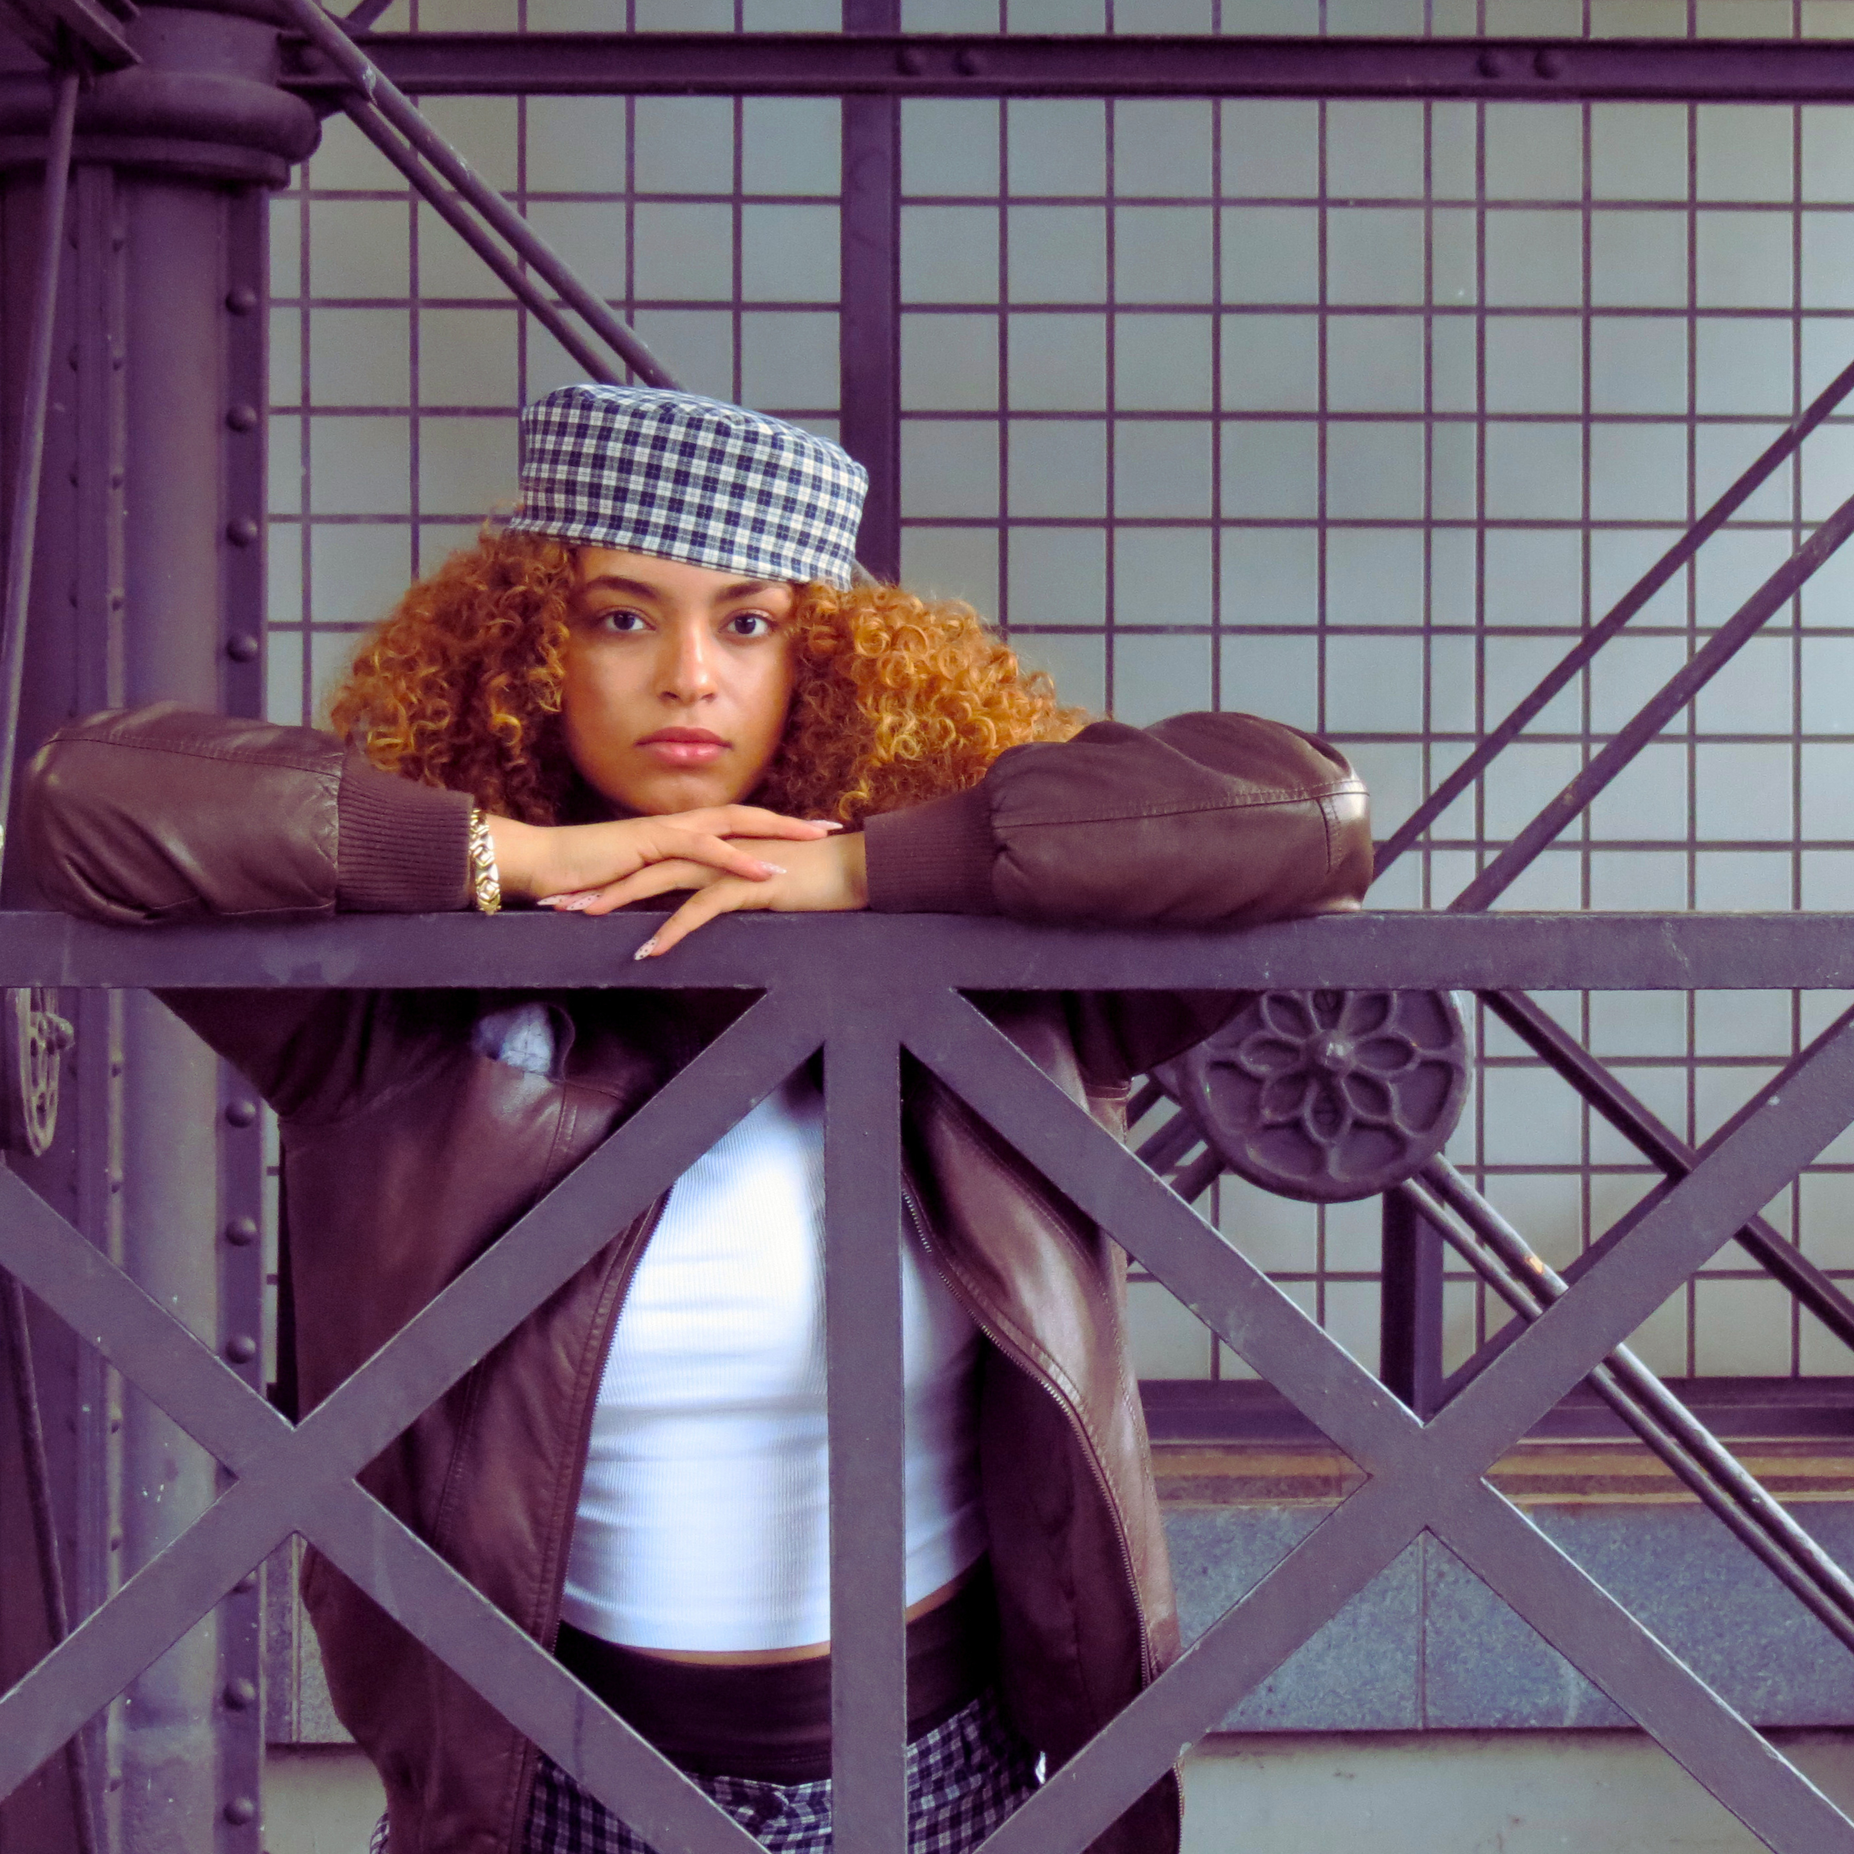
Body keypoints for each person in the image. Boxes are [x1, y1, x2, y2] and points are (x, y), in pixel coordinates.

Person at [25, 386, 1372, 1854]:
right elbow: (76, 802)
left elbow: (1299, 815)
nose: (686, 676)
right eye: (620, 617)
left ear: (831, 660)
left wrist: (863, 875)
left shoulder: (1000, 998)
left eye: (748, 623)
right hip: (549, 1791)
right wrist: (515, 860)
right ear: (529, 645)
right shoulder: (398, 1021)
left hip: (952, 1784)